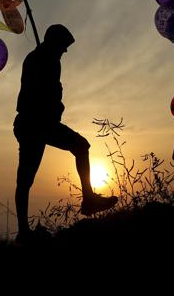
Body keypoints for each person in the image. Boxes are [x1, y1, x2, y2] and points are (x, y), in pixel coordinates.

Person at [14, 24, 116, 243]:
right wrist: (52, 98)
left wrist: (56, 101)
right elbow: (35, 95)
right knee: (25, 179)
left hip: (43, 124)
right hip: (32, 124)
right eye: (63, 46)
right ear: (54, 42)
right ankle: (23, 231)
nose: (65, 51)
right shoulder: (36, 60)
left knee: (81, 146)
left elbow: (53, 93)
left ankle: (89, 200)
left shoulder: (52, 61)